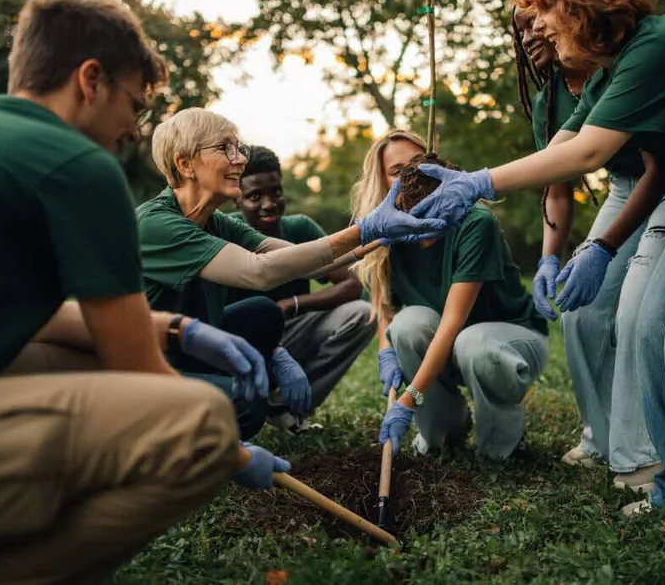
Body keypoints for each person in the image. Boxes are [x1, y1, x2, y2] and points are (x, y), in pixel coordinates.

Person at [412, 0, 665, 534]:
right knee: (652, 331)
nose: (533, 26)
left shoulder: (661, 44)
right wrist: (575, 248)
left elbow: (589, 154)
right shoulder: (616, 68)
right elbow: (565, 148)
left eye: (541, 9)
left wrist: (480, 182)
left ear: (581, 6)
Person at [0, 0, 289, 583]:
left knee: (72, 357)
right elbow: (139, 372)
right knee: (203, 416)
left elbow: (19, 315)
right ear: (90, 80)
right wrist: (233, 455)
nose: (134, 129)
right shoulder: (78, 165)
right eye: (134, 103)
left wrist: (178, 326)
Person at [137, 109, 449, 438]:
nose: (239, 160)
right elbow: (258, 273)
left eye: (238, 148)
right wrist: (362, 231)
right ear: (185, 164)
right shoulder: (158, 224)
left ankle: (242, 407)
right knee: (246, 403)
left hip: (195, 346)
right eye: (224, 148)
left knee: (262, 313)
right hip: (152, 365)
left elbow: (296, 257)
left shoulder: (215, 222)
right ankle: (186, 437)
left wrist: (375, 236)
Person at [512, 4, 665, 493]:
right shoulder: (550, 100)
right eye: (520, 27)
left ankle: (642, 455)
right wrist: (551, 257)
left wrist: (604, 247)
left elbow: (654, 166)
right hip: (625, 185)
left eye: (535, 19)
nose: (531, 33)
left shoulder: (618, 65)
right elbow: (556, 182)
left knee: (633, 313)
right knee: (581, 312)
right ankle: (602, 435)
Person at [353, 132, 549, 461]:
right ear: (383, 183)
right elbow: (385, 308)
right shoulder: (390, 230)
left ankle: (501, 446)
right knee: (406, 325)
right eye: (396, 171)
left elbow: (453, 322)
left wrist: (409, 397)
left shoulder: (475, 222)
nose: (409, 177)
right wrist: (387, 351)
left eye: (416, 165)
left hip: (506, 343)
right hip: (451, 346)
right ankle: (441, 436)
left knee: (472, 342)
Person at [227, 146, 376, 424]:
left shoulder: (299, 229)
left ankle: (287, 407)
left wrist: (292, 305)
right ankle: (253, 402)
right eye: (255, 196)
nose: (269, 203)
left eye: (276, 192)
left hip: (291, 329)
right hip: (240, 342)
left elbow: (353, 284)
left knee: (362, 313)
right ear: (236, 198)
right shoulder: (224, 232)